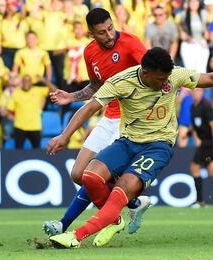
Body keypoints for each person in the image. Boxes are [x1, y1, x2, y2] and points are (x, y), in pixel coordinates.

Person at [47, 47, 213, 248]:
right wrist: (65, 136)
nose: (166, 83)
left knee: (123, 188)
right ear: (145, 73)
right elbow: (90, 107)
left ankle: (77, 236)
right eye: (161, 79)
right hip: (127, 141)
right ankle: (116, 219)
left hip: (159, 145)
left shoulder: (174, 75)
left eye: (167, 79)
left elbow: (209, 79)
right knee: (89, 176)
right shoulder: (121, 82)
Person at [43, 8, 150, 245]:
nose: (110, 35)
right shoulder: (89, 52)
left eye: (111, 28)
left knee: (93, 175)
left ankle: (67, 223)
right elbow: (95, 86)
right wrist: (72, 96)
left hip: (132, 121)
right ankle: (132, 204)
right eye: (102, 32)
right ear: (91, 34)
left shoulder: (131, 43)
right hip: (109, 116)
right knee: (78, 174)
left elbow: (155, 73)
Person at [190, 88, 213, 208]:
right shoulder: (193, 107)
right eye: (193, 91)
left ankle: (200, 201)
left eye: (197, 91)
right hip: (203, 142)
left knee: (194, 168)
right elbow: (194, 125)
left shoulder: (206, 106)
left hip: (209, 143)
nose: (195, 93)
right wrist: (195, 137)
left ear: (202, 92)